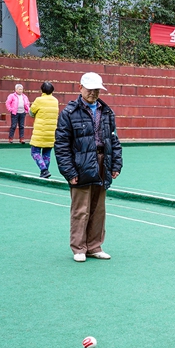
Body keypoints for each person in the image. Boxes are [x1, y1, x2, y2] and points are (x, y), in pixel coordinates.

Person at [55, 72, 123, 263]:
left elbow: (114, 140)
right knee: (80, 209)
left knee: (98, 209)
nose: (93, 93)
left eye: (97, 89)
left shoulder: (107, 112)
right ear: (80, 88)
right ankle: (79, 248)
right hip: (80, 164)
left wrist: (116, 164)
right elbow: (61, 145)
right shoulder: (68, 113)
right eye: (90, 89)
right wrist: (69, 172)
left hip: (103, 162)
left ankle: (94, 247)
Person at [29, 82, 59, 178]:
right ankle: (44, 173)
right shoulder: (55, 101)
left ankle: (44, 170)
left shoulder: (39, 100)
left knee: (34, 152)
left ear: (42, 90)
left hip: (40, 130)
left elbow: (31, 112)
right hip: (51, 131)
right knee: (46, 153)